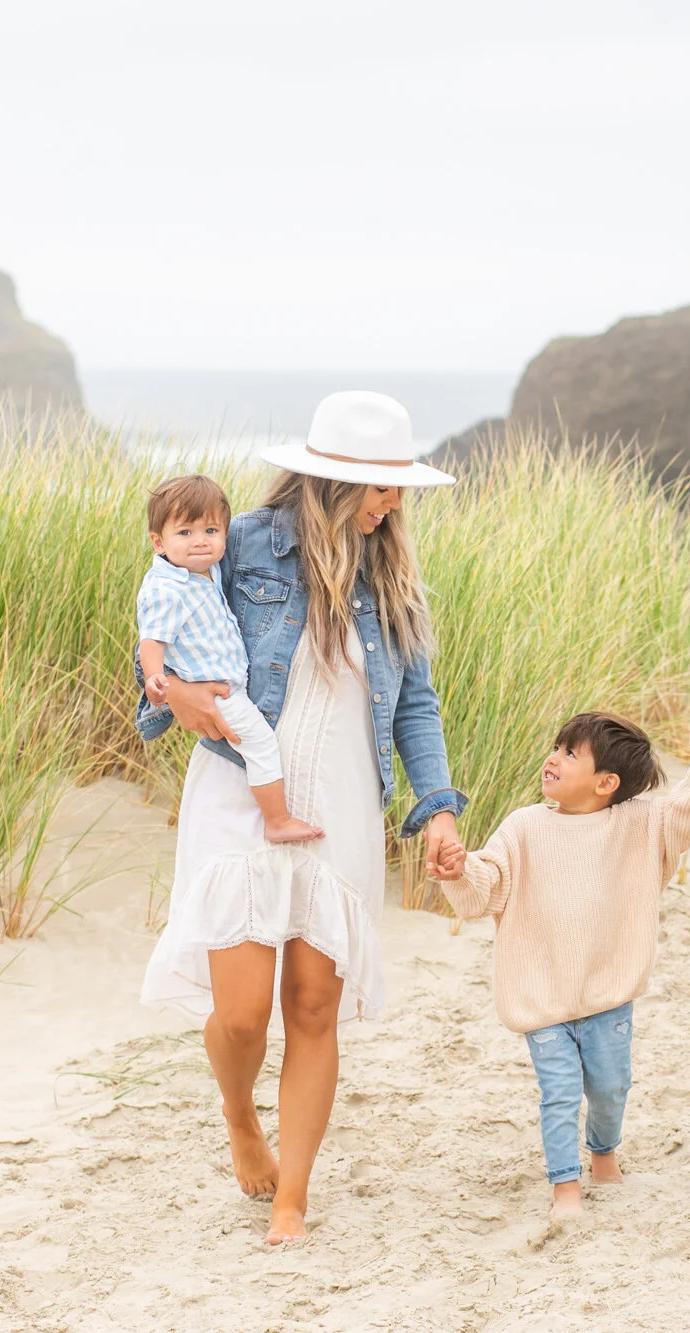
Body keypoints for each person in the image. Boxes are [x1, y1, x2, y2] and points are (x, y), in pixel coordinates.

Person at [138, 390, 466, 1244]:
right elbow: (161, 618)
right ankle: (240, 1114)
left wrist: (437, 810)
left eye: (399, 487)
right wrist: (169, 695)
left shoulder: (393, 578)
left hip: (345, 803)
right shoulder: (238, 540)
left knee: (314, 1005)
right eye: (382, 487)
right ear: (330, 480)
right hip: (241, 798)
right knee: (244, 1012)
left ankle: (295, 1198)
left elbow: (416, 707)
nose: (396, 502)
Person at [431, 712, 690, 1222]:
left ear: (606, 783)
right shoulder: (523, 827)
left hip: (607, 993)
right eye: (556, 747)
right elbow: (483, 888)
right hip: (541, 997)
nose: (553, 758)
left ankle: (604, 1153)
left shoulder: (639, 826)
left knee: (610, 1089)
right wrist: (458, 871)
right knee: (560, 1094)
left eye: (571, 754)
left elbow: (689, 810)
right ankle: (565, 1188)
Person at [135, 474, 322, 843]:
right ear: (158, 542)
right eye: (185, 533)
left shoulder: (208, 571)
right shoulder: (166, 588)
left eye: (210, 530)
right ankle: (277, 820)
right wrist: (159, 680)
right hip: (218, 693)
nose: (200, 541)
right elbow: (151, 640)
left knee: (256, 746)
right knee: (261, 745)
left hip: (229, 684)